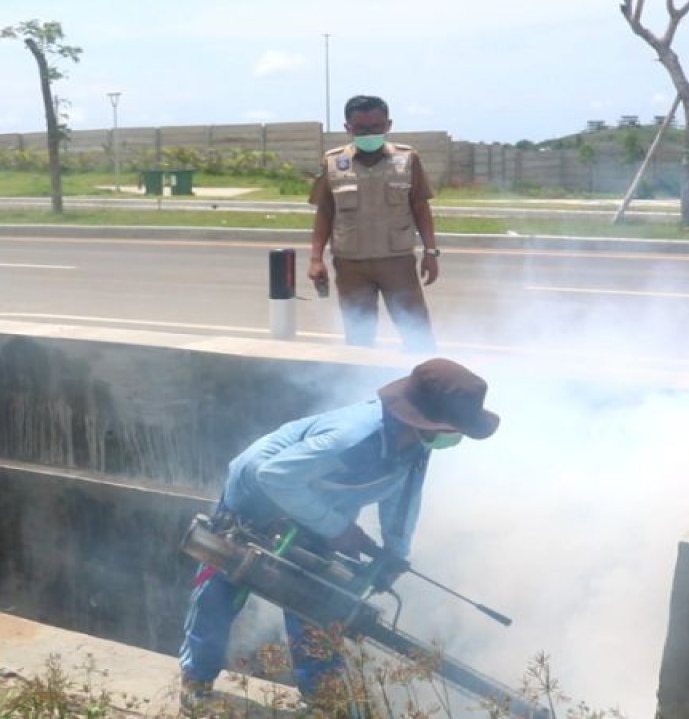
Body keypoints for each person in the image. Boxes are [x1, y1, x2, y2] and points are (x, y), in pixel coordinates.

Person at [178, 357, 500, 711]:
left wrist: (393, 554)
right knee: (223, 589)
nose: (456, 437)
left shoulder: (415, 448)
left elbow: (404, 500)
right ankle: (196, 682)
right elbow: (274, 476)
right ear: (427, 421)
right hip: (257, 500)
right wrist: (339, 528)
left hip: (318, 510)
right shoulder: (352, 437)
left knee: (318, 601)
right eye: (456, 428)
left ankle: (323, 699)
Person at [308, 95, 440, 351]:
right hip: (351, 266)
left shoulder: (407, 159)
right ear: (348, 128)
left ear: (388, 125)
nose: (369, 134)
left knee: (417, 335)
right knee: (359, 339)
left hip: (397, 263)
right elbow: (325, 212)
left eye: (376, 128)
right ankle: (361, 387)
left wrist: (431, 252)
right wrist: (315, 259)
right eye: (361, 129)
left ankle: (420, 385)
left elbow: (421, 207)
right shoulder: (333, 162)